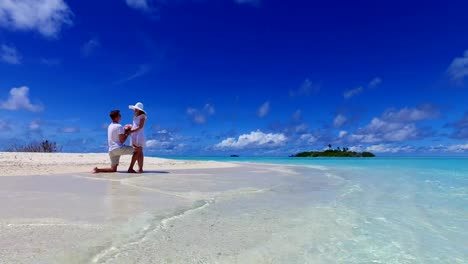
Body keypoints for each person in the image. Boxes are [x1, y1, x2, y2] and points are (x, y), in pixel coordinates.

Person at [127, 102, 147, 173]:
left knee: (138, 151)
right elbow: (135, 125)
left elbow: (141, 126)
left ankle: (134, 168)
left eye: (136, 108)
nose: (135, 109)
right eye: (135, 108)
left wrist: (131, 131)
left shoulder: (142, 116)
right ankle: (140, 169)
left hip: (139, 134)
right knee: (139, 151)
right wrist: (130, 128)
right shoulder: (135, 115)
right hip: (134, 133)